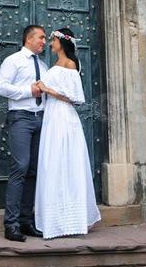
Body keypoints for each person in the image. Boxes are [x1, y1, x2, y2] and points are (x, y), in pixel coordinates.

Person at [33, 27, 100, 238]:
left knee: (66, 160)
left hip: (64, 116)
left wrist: (46, 89)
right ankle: (53, 218)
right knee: (52, 162)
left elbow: (74, 96)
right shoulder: (54, 64)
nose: (50, 43)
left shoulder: (71, 64)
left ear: (61, 43)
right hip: (51, 116)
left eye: (52, 40)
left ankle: (72, 218)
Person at [0, 24, 47, 242]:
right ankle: (11, 224)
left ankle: (26, 221)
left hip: (41, 119)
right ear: (29, 38)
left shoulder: (43, 65)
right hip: (21, 119)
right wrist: (28, 91)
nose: (44, 42)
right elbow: (1, 87)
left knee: (34, 170)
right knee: (20, 167)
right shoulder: (13, 60)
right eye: (41, 37)